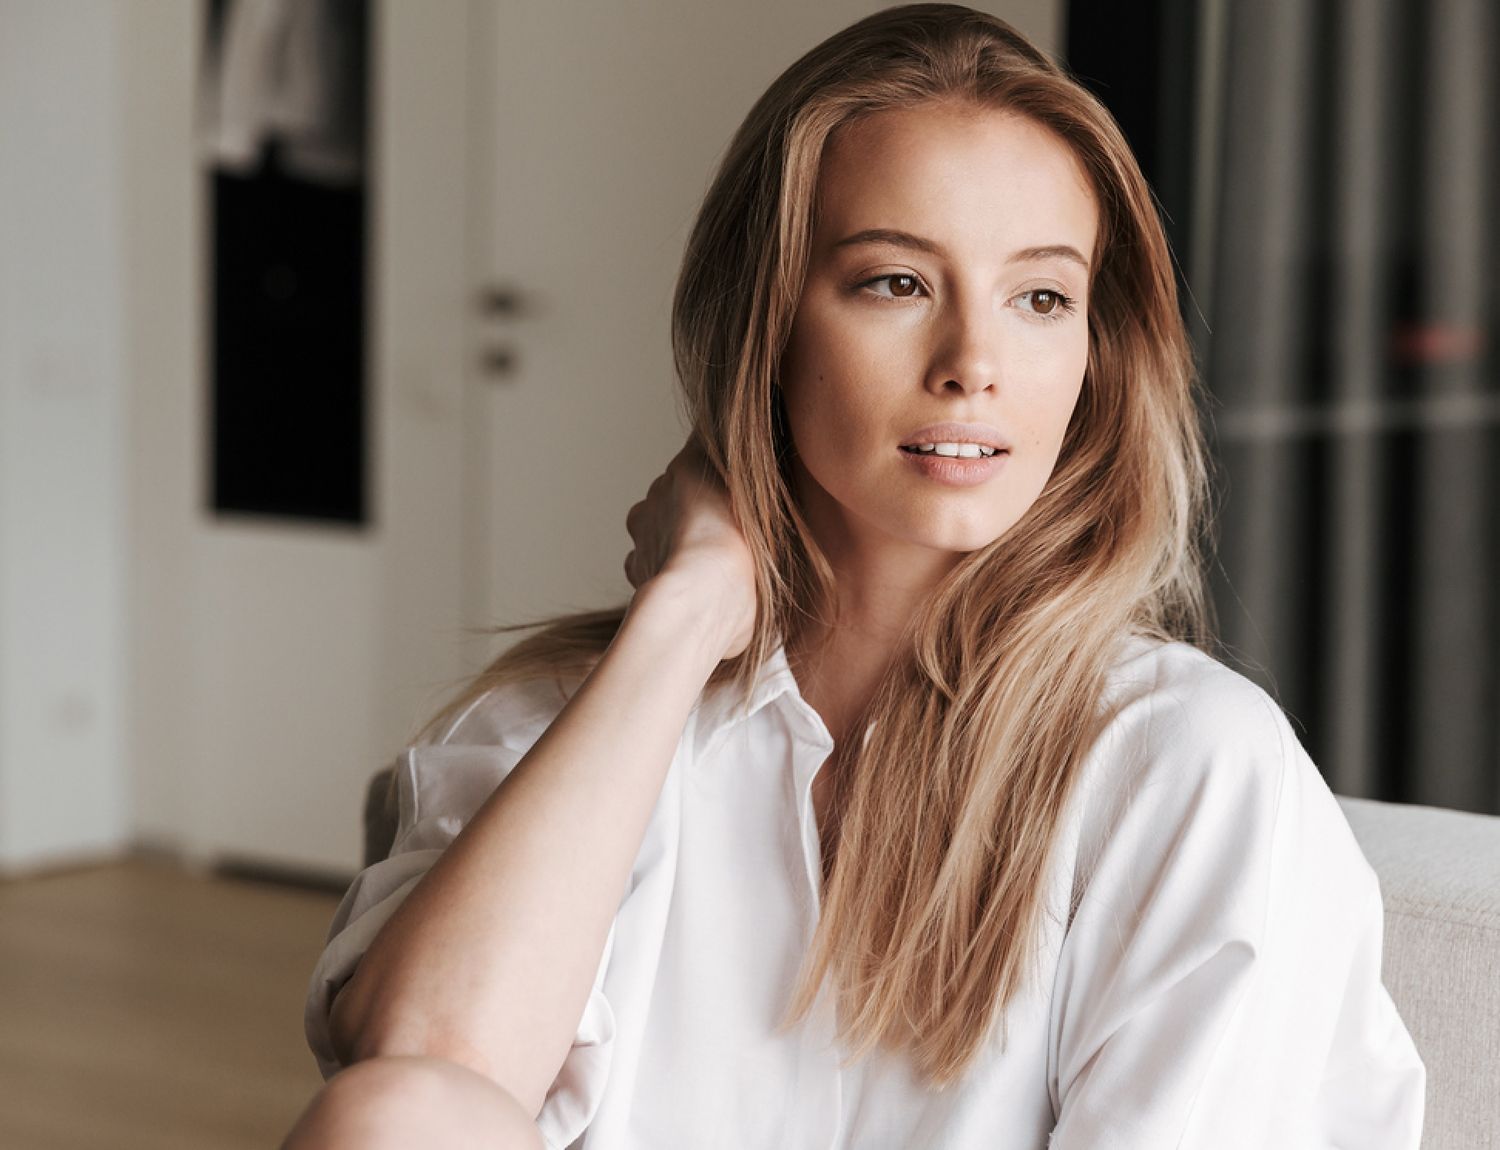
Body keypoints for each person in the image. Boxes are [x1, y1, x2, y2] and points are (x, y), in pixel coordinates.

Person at [283, 5, 1426, 1147]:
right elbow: (413, 1077)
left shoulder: (1185, 762)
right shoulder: (562, 725)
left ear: (1095, 355)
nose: (973, 364)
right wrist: (681, 617)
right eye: (895, 283)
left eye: (1041, 297)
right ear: (768, 321)